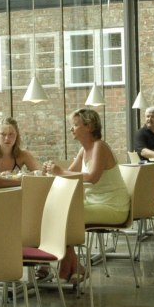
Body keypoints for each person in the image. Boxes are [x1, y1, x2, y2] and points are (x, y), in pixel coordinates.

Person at [45, 108, 130, 284]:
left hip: (113, 206)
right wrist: (53, 171)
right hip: (94, 203)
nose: (71, 129)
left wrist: (59, 171)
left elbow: (92, 177)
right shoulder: (84, 150)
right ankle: (75, 265)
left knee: (65, 217)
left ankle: (70, 266)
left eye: (75, 125)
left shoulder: (100, 146)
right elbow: (71, 173)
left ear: (89, 126)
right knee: (56, 215)